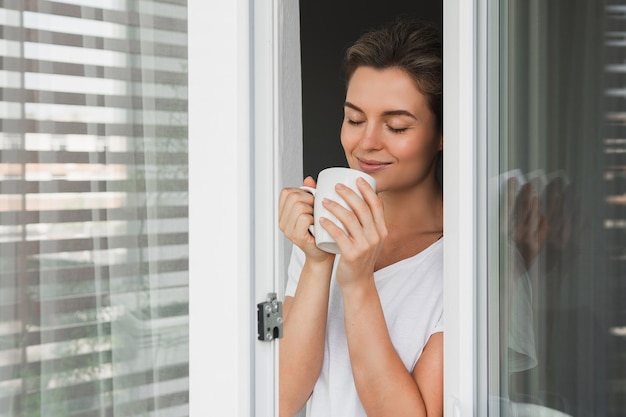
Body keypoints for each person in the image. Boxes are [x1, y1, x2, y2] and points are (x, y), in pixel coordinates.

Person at [278, 19, 444, 417]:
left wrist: (357, 283)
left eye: (397, 125)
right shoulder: (326, 229)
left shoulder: (470, 262)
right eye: (354, 119)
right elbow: (282, 399)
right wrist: (319, 260)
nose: (366, 142)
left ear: (444, 132)